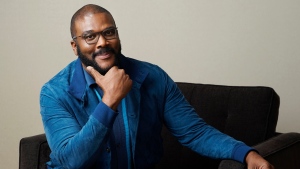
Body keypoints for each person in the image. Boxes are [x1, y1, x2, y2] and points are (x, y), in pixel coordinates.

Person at [40, 4, 274, 169]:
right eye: (90, 36)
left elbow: (194, 131)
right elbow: (71, 161)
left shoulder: (152, 77)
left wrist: (246, 153)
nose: (102, 42)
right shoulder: (54, 92)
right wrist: (110, 100)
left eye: (109, 32)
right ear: (74, 46)